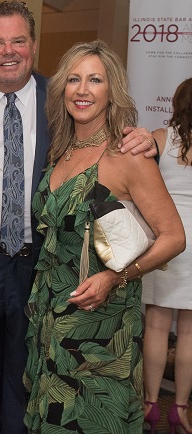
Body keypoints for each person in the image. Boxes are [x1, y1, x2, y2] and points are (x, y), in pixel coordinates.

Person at [0, 1, 159, 434]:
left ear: (33, 46)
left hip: (46, 273)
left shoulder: (63, 96)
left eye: (18, 41)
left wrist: (150, 141)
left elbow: (109, 140)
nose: (8, 51)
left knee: (31, 383)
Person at [23, 39, 185, 432]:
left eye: (95, 80)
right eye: (73, 79)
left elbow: (174, 237)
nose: (82, 90)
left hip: (101, 324)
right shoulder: (60, 150)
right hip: (52, 312)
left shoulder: (127, 155)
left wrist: (115, 277)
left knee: (92, 421)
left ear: (112, 91)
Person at [142, 77, 192, 434]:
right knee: (190, 332)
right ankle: (180, 408)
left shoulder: (160, 138)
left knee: (157, 325)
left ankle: (149, 404)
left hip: (167, 239)